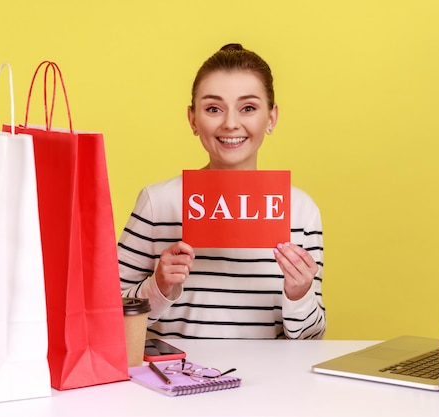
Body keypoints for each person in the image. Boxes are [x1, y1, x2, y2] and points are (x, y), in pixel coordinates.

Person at [118, 43, 325, 339]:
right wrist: (158, 287)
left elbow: (312, 338)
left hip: (272, 382)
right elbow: (104, 310)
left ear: (271, 118)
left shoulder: (302, 211)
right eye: (213, 109)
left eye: (248, 108)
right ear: (192, 119)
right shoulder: (157, 203)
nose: (230, 123)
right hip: (179, 379)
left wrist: (299, 293)